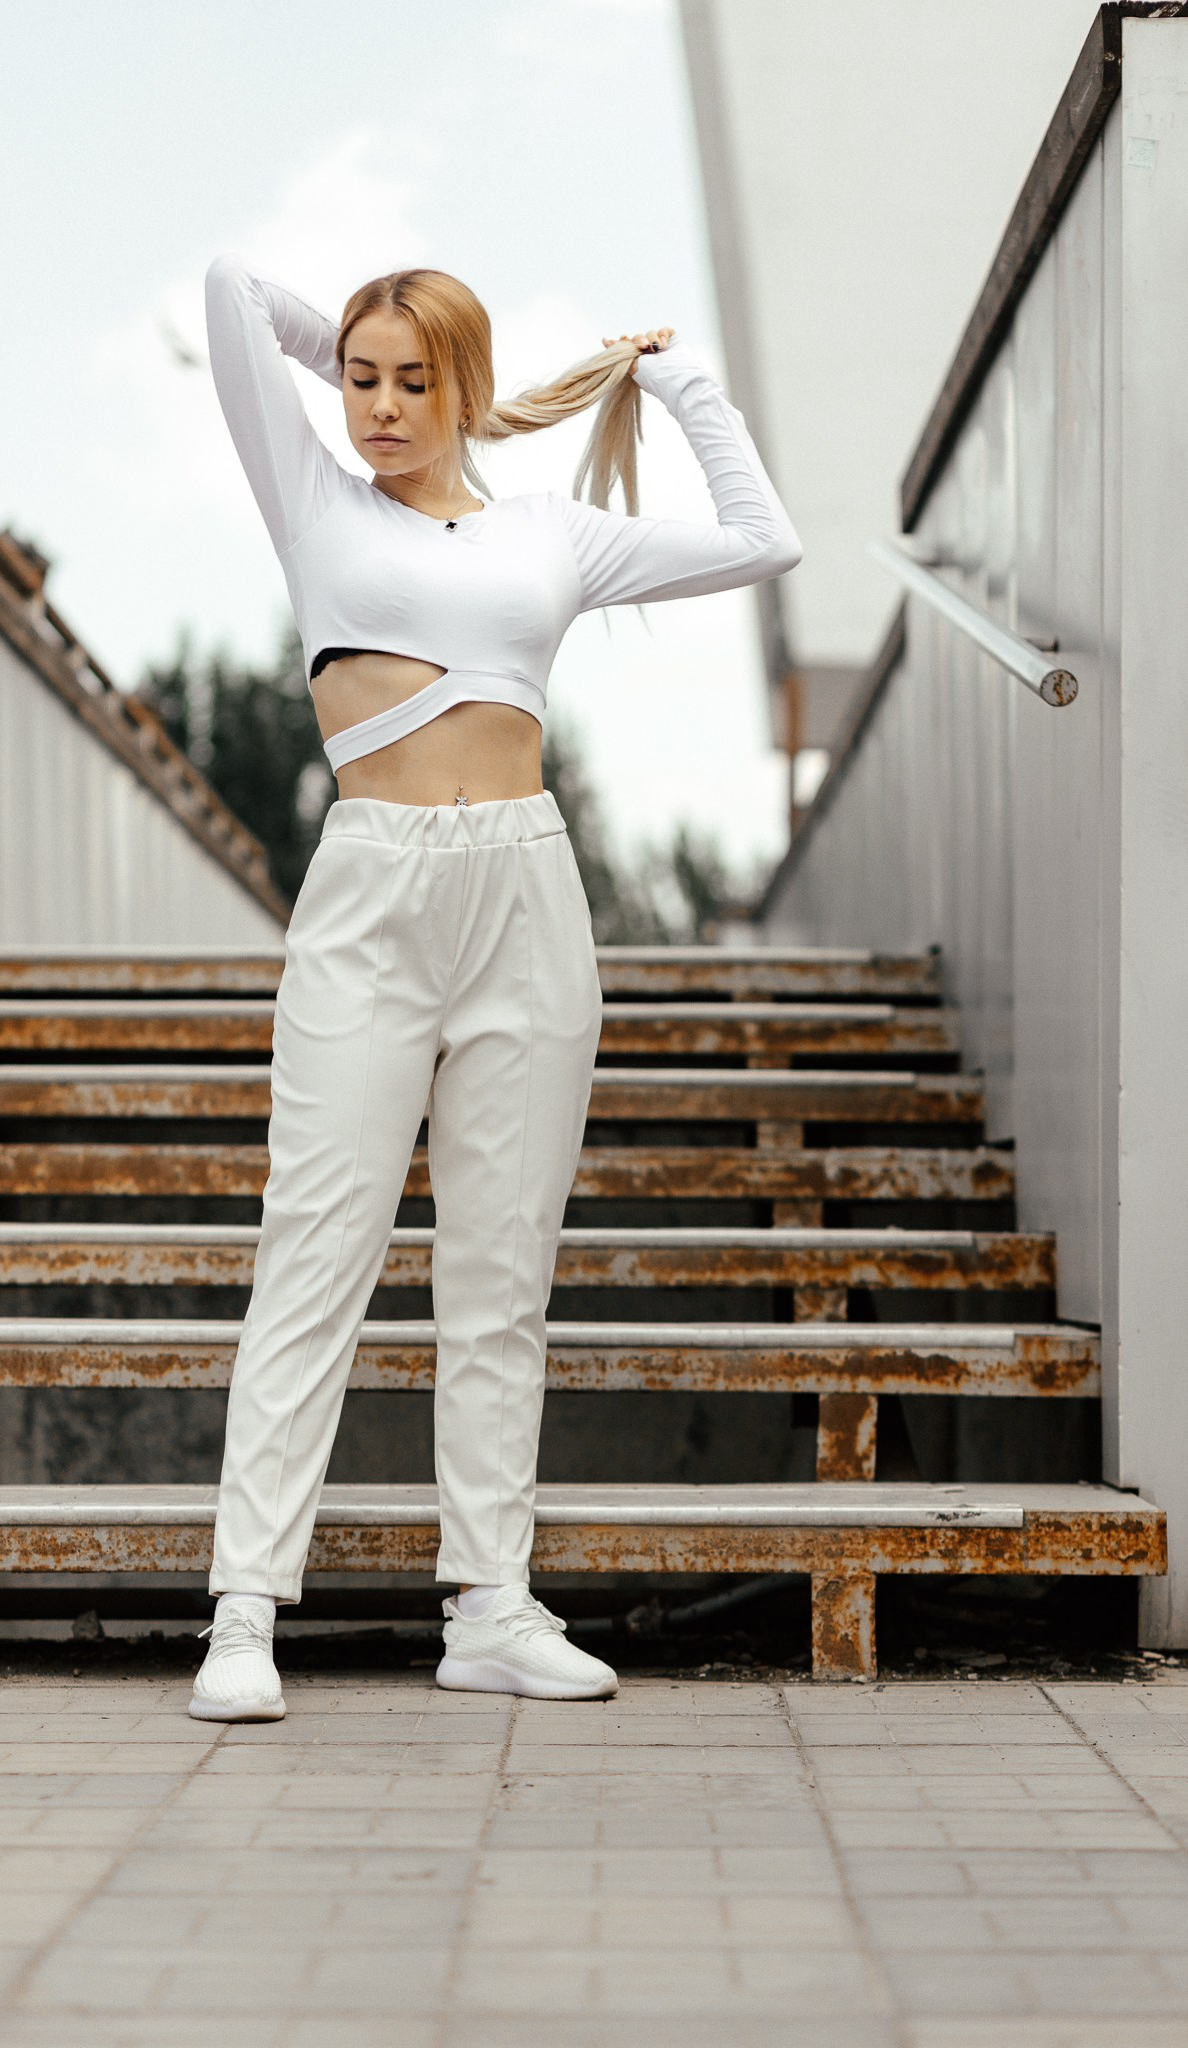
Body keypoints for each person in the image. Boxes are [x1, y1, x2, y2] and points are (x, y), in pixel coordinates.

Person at [188, 248, 801, 1723]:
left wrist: (675, 382)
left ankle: (490, 1608)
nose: (381, 407)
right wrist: (358, 321)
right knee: (314, 1252)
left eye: (415, 381)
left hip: (525, 893)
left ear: (461, 386)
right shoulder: (315, 501)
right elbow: (229, 288)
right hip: (371, 893)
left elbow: (762, 540)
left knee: (499, 1274)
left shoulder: (551, 533)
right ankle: (245, 1612)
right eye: (361, 379)